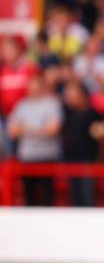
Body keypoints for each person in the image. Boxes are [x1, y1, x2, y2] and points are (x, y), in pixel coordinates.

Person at [7, 75, 63, 206]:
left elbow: (52, 130)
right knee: (29, 198)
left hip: (47, 156)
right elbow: (12, 131)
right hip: (27, 157)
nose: (33, 90)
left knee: (47, 198)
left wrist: (25, 129)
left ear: (42, 87)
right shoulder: (21, 105)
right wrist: (40, 130)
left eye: (36, 86)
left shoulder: (51, 104)